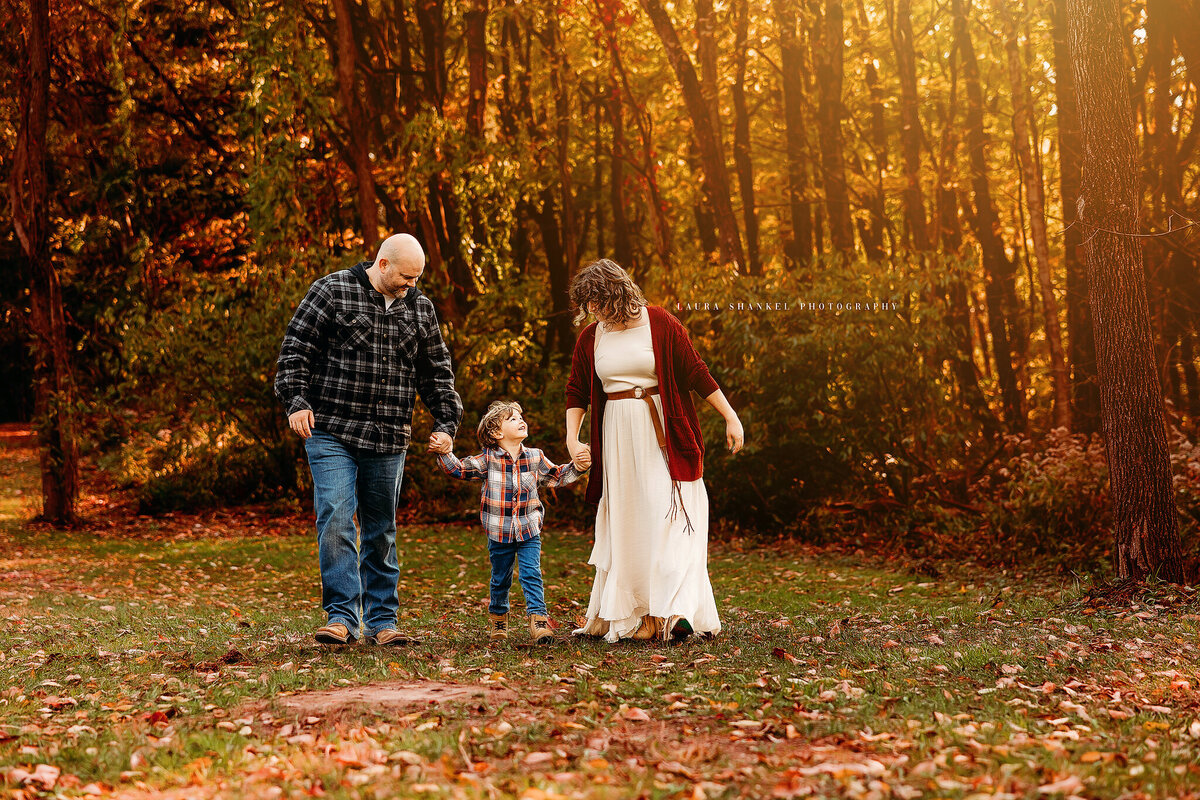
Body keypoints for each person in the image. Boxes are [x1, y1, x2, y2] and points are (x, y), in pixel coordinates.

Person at [274, 233, 463, 646]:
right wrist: (296, 401)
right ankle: (341, 617)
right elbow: (295, 351)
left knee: (381, 529)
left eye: (417, 279)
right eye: (406, 277)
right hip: (331, 431)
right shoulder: (332, 291)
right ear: (382, 264)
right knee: (337, 518)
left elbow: (436, 373)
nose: (411, 286)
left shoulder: (421, 309)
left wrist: (446, 424)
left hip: (389, 435)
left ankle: (383, 621)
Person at [564, 259, 744, 643]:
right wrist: (572, 438)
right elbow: (577, 390)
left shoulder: (660, 322)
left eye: (595, 301)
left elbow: (696, 372)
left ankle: (673, 610)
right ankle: (641, 617)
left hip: (662, 430)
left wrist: (731, 416)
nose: (590, 310)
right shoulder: (591, 337)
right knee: (630, 521)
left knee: (669, 513)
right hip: (616, 432)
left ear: (614, 293)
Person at [432, 401, 590, 645]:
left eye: (520, 416)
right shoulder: (487, 459)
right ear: (496, 433)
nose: (520, 420)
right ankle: (498, 616)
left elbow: (557, 476)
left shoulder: (535, 457)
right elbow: (459, 469)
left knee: (531, 574)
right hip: (499, 532)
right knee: (500, 577)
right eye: (512, 419)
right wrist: (444, 451)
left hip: (529, 528)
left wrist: (578, 467)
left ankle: (538, 619)